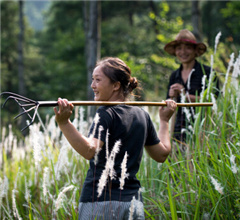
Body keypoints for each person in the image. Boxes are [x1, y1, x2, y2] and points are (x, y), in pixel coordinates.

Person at [54, 57, 177, 219]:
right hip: (133, 204)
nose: (93, 86)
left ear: (116, 85)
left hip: (99, 203)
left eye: (98, 80)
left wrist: (64, 123)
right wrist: (164, 121)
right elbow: (161, 154)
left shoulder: (106, 113)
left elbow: (90, 150)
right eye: (93, 80)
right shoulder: (142, 116)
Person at [164, 29, 218, 145]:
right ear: (175, 52)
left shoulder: (208, 73)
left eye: (187, 47)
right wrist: (170, 97)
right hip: (178, 130)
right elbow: (168, 103)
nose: (183, 52)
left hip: (203, 131)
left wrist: (184, 94)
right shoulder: (174, 76)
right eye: (179, 48)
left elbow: (213, 101)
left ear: (195, 51)